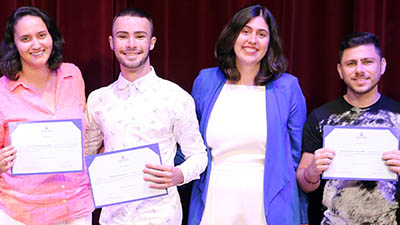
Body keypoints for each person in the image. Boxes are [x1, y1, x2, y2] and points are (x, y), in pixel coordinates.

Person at [85, 7, 208, 225]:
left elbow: (199, 156)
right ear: (112, 42)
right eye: (122, 36)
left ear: (151, 42)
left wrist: (178, 174)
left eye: (140, 36)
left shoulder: (175, 97)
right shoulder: (98, 100)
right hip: (112, 219)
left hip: (161, 217)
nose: (131, 44)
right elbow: (86, 154)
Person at [188, 4, 307, 225]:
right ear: (232, 35)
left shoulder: (288, 87)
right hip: (214, 201)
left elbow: (296, 159)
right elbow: (189, 146)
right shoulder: (205, 81)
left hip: (271, 205)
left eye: (261, 34)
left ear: (270, 42)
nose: (253, 40)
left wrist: (301, 214)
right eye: (245, 31)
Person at [0, 6, 93, 225]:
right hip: (20, 213)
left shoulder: (73, 75)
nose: (36, 44)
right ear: (14, 45)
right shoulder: (2, 91)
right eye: (25, 38)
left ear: (52, 37)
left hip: (75, 207)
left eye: (42, 35)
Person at [297, 32, 400, 224]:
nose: (359, 70)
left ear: (382, 65)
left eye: (367, 62)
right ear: (340, 70)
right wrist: (312, 171)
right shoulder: (319, 117)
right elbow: (304, 184)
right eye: (351, 63)